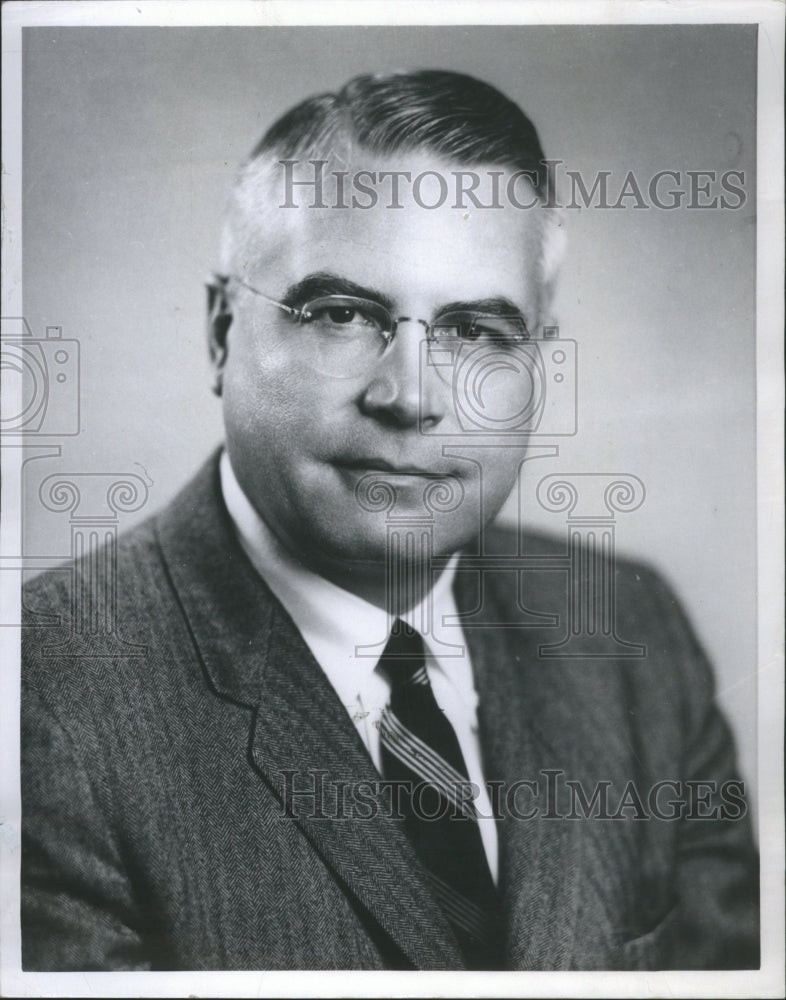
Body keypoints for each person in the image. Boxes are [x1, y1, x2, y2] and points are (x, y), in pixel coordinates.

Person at [21, 69, 759, 971]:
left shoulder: (636, 639)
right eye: (343, 314)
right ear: (220, 333)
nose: (411, 397)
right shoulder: (42, 700)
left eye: (478, 333)